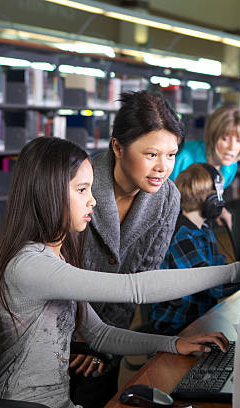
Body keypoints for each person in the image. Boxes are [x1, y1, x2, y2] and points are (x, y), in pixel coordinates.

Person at [0, 137, 240, 408]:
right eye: (82, 190)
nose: (92, 200)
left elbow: (99, 334)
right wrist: (239, 270)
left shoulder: (56, 259)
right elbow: (137, 288)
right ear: (48, 193)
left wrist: (173, 344)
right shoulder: (29, 266)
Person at [71, 90, 183, 407]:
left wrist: (105, 344)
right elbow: (55, 271)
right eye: (151, 155)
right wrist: (81, 340)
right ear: (117, 147)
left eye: (171, 155)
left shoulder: (167, 199)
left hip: (109, 335)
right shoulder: (78, 182)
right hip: (57, 329)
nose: (163, 167)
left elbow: (140, 279)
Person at [150, 163, 240, 335]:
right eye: (219, 193)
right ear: (210, 199)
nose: (221, 200)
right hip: (176, 327)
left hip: (200, 317)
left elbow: (219, 267)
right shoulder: (181, 236)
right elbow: (213, 286)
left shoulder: (204, 229)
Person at [169, 105, 240, 228]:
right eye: (225, 139)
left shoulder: (230, 166)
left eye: (239, 140)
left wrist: (220, 210)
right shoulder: (184, 158)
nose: (232, 148)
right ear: (212, 136)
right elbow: (164, 200)